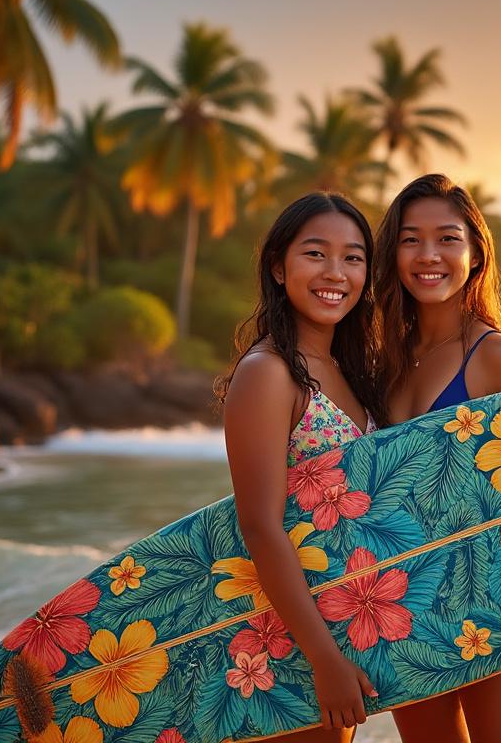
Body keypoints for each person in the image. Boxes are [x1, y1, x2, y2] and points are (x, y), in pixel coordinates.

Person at [374, 174, 501, 743]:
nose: (429, 256)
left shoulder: (496, 357)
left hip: (488, 603)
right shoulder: (384, 365)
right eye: (410, 239)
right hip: (406, 610)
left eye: (447, 238)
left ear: (475, 255)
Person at [217, 192, 385, 741]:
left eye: (353, 257)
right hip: (289, 641)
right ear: (277, 265)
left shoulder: (347, 370)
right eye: (315, 254)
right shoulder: (268, 372)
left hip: (336, 630)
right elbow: (261, 526)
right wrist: (323, 659)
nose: (335, 272)